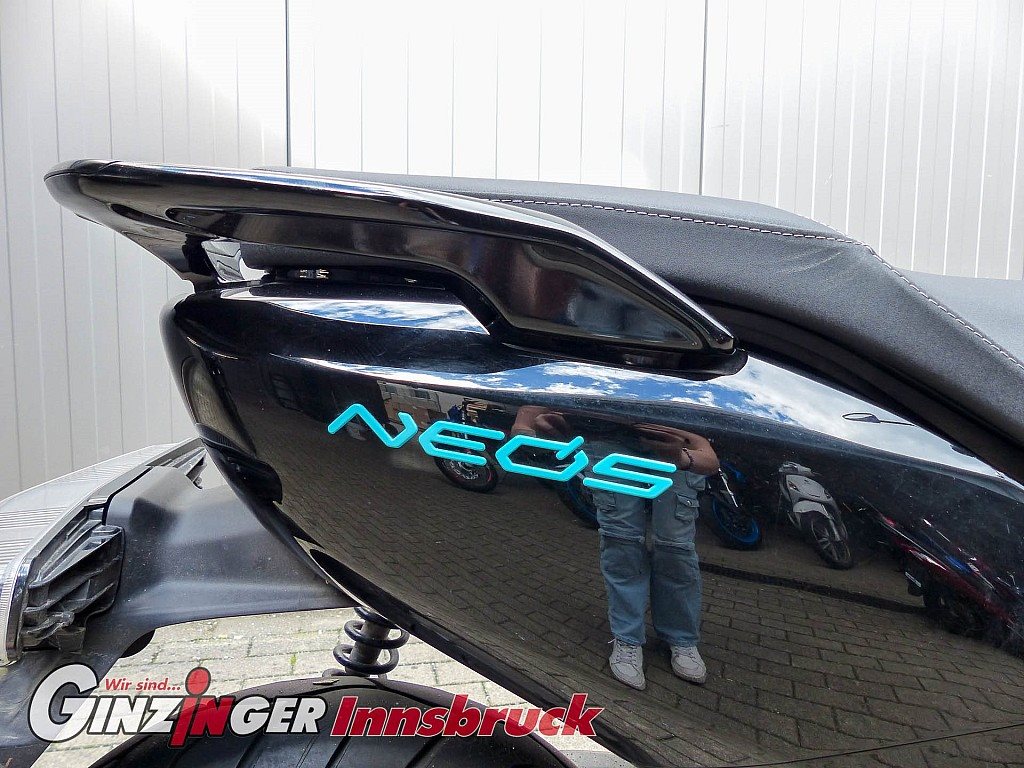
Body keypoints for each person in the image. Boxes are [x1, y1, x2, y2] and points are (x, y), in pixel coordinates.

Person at [594, 424, 719, 690]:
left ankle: (681, 638)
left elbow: (710, 458)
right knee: (621, 543)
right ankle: (627, 638)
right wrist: (526, 421)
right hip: (610, 437)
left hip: (679, 441)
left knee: (676, 550)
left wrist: (684, 456)